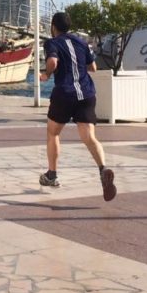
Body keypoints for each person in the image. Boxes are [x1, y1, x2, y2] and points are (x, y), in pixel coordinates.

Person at [39, 11, 117, 202]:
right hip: (86, 93)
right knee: (89, 137)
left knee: (53, 132)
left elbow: (52, 61)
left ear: (53, 27)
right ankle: (103, 169)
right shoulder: (82, 42)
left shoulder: (52, 43)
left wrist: (47, 74)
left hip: (64, 93)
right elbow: (93, 68)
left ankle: (52, 174)